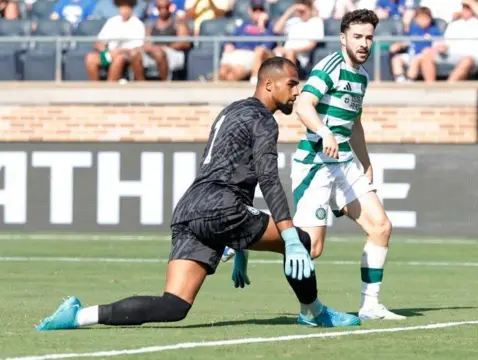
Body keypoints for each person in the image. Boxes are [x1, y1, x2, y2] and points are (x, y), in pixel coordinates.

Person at [35, 57, 360, 331]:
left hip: (190, 208)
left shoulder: (230, 111)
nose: (297, 91)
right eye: (292, 84)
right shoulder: (263, 119)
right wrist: (287, 234)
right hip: (223, 207)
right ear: (269, 85)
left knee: (173, 306)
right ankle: (314, 313)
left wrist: (242, 245)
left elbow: (232, 171)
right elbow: (267, 178)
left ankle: (78, 316)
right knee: (302, 242)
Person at [236, 9, 406, 321]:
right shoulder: (330, 67)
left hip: (344, 162)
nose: (364, 43)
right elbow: (303, 104)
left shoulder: (363, 77)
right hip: (316, 163)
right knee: (311, 248)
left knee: (380, 227)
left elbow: (354, 123)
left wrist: (365, 161)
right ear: (343, 38)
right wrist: (324, 131)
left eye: (369, 37)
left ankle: (370, 305)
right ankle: (242, 236)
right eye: (357, 37)